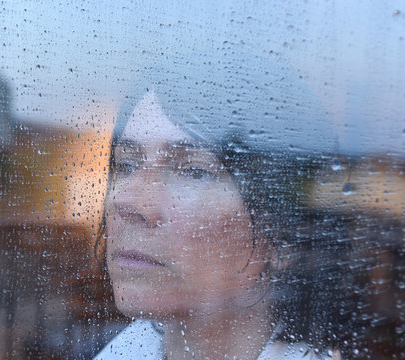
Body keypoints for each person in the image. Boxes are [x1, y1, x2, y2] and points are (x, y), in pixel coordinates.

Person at [94, 54, 361, 359]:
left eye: (194, 171)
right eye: (126, 165)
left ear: (284, 238)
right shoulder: (116, 350)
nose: (127, 202)